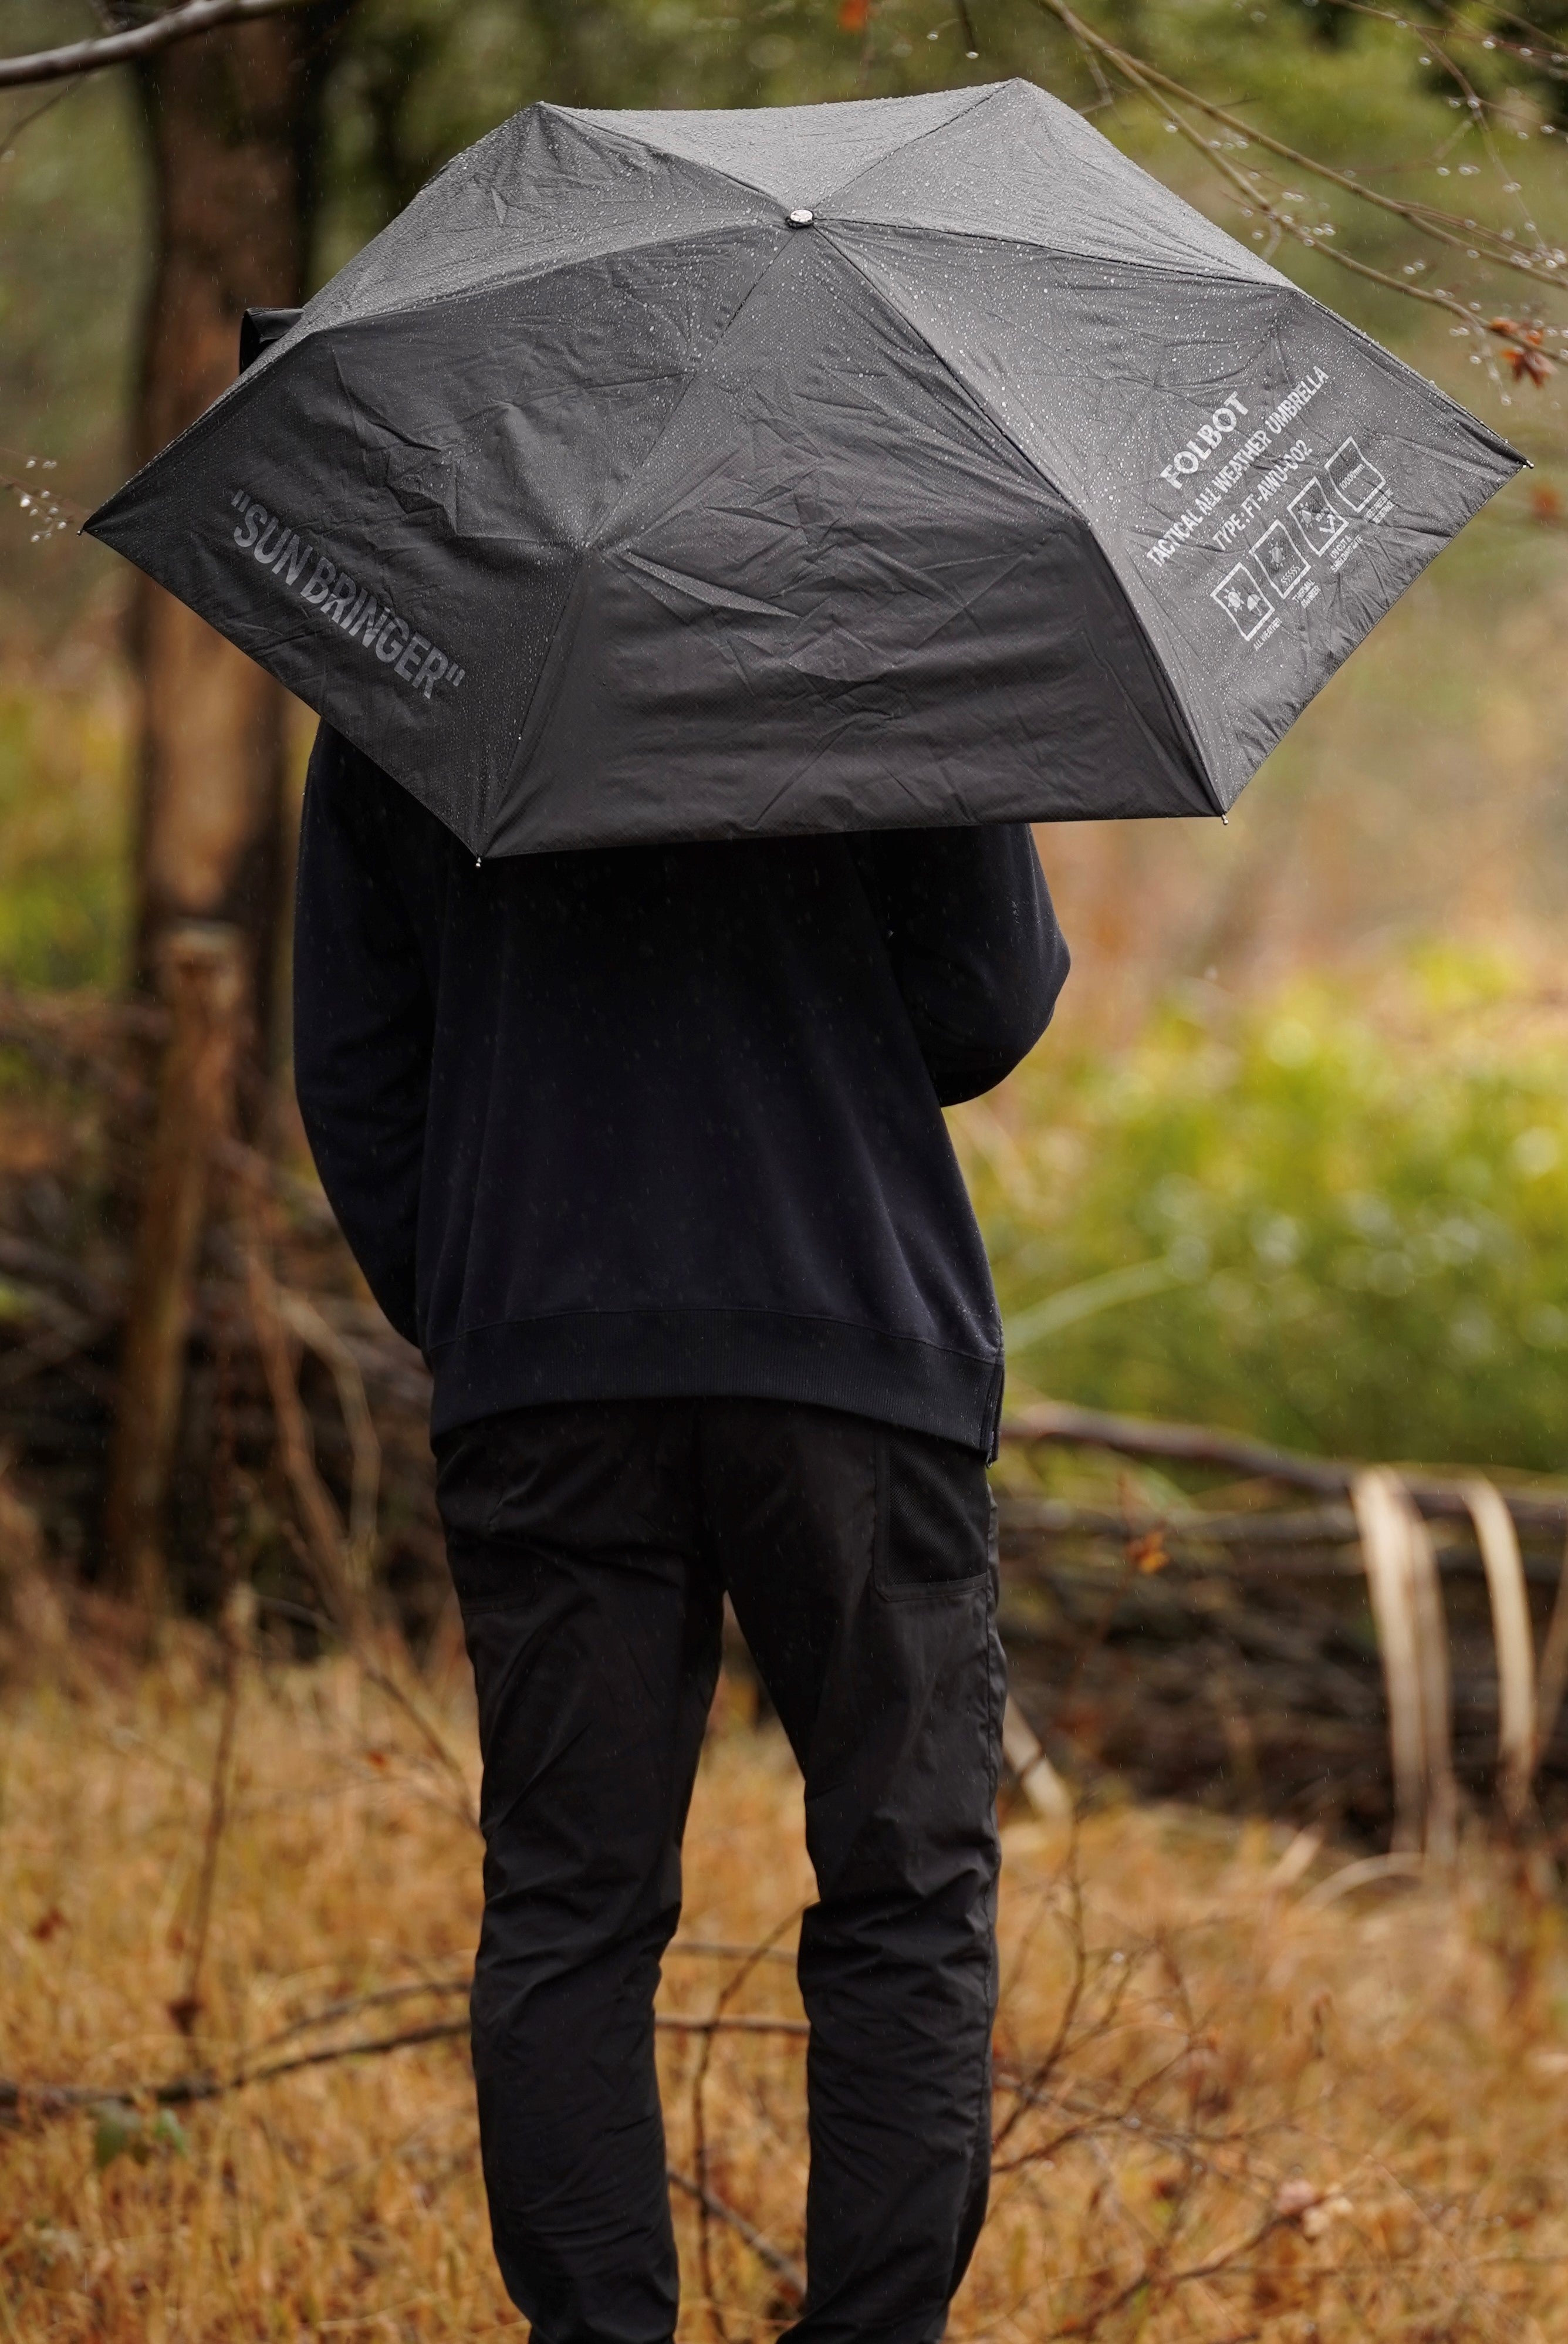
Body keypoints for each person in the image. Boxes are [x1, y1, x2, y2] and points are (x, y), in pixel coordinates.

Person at [292, 722, 1070, 2344]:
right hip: (849, 1340)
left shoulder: (429, 639)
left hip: (550, 1358)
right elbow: (983, 1005)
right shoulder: (896, 624)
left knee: (570, 1901)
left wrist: (481, 1298)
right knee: (903, 1888)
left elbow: (357, 1055)